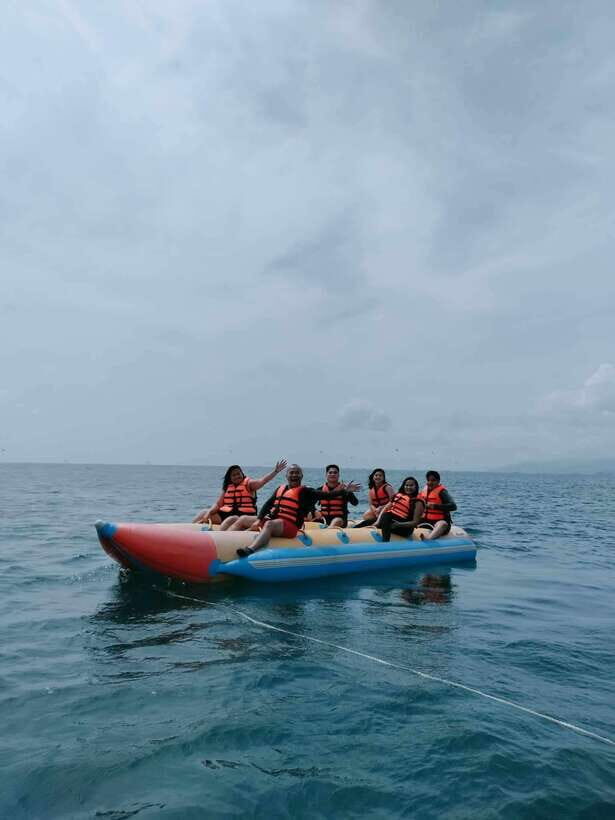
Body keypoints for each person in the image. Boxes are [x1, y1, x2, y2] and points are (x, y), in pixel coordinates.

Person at [233, 464, 361, 557]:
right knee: (241, 519)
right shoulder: (281, 488)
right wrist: (259, 519)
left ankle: (251, 550)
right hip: (274, 520)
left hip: (290, 526)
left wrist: (345, 491)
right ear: (287, 475)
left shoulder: (306, 491)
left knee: (269, 524)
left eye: (297, 473)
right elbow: (267, 505)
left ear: (301, 476)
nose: (294, 475)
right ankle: (221, 538)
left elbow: (326, 496)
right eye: (291, 472)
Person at [192, 460, 287, 529]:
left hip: (244, 515)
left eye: (238, 473)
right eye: (234, 475)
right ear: (230, 478)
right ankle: (190, 531)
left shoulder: (249, 485)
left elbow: (263, 481)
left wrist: (275, 471)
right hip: (226, 514)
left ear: (242, 474)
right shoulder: (228, 487)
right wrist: (208, 513)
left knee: (232, 519)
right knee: (203, 513)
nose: (237, 476)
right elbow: (218, 505)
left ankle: (220, 538)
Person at [375, 476, 425, 542]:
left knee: (386, 516)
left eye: (411, 485)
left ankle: (385, 542)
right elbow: (386, 507)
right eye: (406, 485)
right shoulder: (399, 495)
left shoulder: (418, 502)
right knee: (372, 520)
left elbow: (415, 522)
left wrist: (398, 525)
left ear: (416, 487)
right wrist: (378, 521)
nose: (408, 487)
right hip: (395, 523)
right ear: (403, 486)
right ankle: (357, 529)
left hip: (406, 529)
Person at [417, 470, 457, 540]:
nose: (430, 482)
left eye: (433, 480)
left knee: (442, 524)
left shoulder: (442, 492)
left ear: (438, 481)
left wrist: (435, 506)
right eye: (428, 480)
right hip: (424, 521)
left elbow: (453, 506)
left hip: (438, 522)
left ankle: (428, 539)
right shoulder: (423, 491)